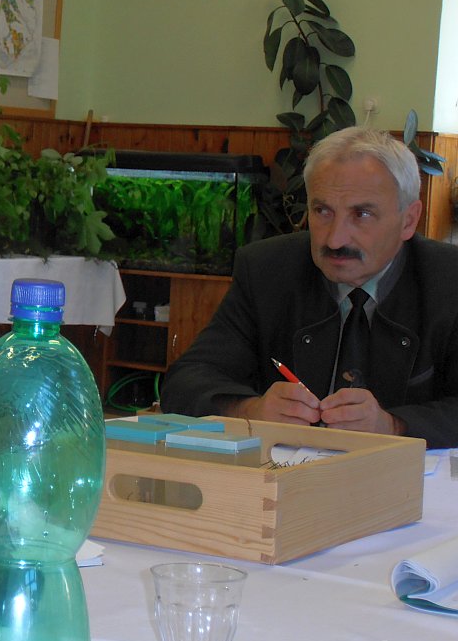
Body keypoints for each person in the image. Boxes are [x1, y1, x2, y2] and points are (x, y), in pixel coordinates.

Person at [160, 125, 458, 449]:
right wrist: (250, 410)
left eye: (362, 214)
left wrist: (394, 425)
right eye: (322, 211)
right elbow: (186, 381)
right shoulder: (267, 270)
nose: (335, 239)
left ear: (409, 220)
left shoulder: (448, 281)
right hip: (287, 472)